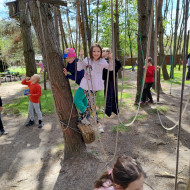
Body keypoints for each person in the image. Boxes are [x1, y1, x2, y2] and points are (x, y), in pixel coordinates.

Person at [74, 43, 113, 133]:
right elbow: (79, 68)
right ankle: (97, 124)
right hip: (85, 84)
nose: (96, 53)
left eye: (98, 51)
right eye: (94, 51)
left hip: (94, 86)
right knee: (92, 104)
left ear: (100, 52)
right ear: (91, 52)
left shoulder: (102, 61)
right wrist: (80, 57)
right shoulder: (87, 60)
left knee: (91, 104)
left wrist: (110, 59)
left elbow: (110, 68)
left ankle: (83, 116)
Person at [102, 48, 121, 117]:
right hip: (106, 80)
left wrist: (114, 59)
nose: (105, 52)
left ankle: (114, 109)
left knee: (113, 94)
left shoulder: (112, 60)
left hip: (112, 80)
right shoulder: (101, 61)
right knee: (107, 95)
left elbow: (118, 67)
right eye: (103, 51)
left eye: (107, 51)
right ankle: (108, 110)